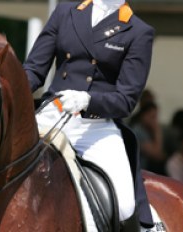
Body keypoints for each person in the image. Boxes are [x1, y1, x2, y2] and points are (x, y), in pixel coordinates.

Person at [23, 0, 155, 231]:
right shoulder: (66, 11)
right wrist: (7, 90)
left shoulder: (137, 31)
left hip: (95, 127)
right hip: (52, 113)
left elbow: (126, 100)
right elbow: (34, 70)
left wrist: (88, 100)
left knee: (124, 205)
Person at [131, 102, 166, 175]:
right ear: (144, 116)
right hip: (137, 173)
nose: (155, 121)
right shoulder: (138, 132)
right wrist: (157, 131)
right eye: (152, 117)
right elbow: (156, 155)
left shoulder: (147, 131)